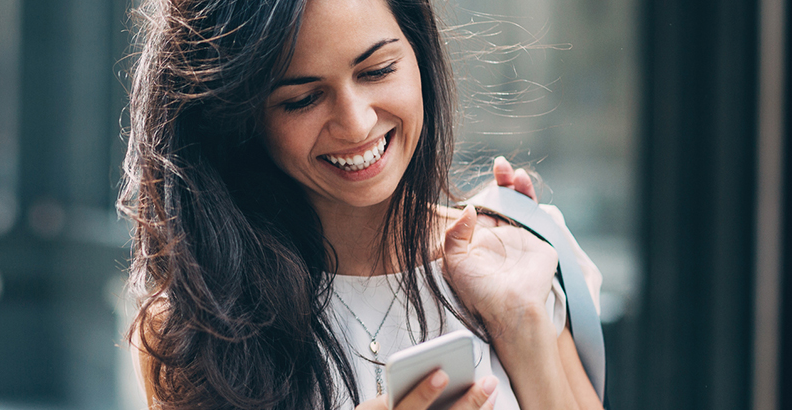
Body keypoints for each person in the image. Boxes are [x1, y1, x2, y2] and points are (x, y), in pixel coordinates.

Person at [119, 0, 605, 409]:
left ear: (418, 54)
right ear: (243, 119)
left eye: (377, 71)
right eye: (303, 99)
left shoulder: (515, 263)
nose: (355, 124)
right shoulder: (197, 326)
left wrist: (521, 322)